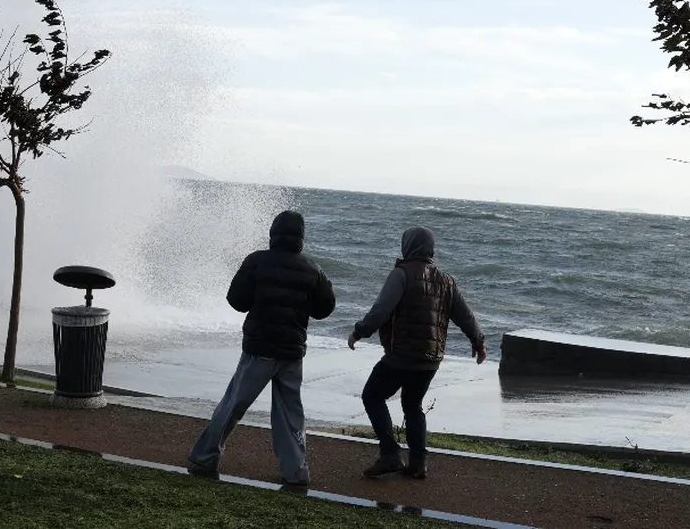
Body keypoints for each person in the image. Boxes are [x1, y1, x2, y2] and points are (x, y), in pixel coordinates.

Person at [187, 210, 336, 491]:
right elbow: (325, 308)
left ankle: (204, 457)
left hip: (259, 348)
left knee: (234, 404)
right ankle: (296, 471)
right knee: (291, 412)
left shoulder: (256, 261)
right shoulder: (312, 269)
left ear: (273, 233)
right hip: (292, 352)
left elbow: (237, 300)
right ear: (300, 238)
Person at [348, 225, 485, 480]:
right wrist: (479, 343)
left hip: (400, 356)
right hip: (430, 360)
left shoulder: (401, 274)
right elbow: (466, 317)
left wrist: (359, 332)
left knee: (372, 396)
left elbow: (381, 311)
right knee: (413, 406)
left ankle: (390, 454)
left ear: (407, 246)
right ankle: (418, 464)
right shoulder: (446, 281)